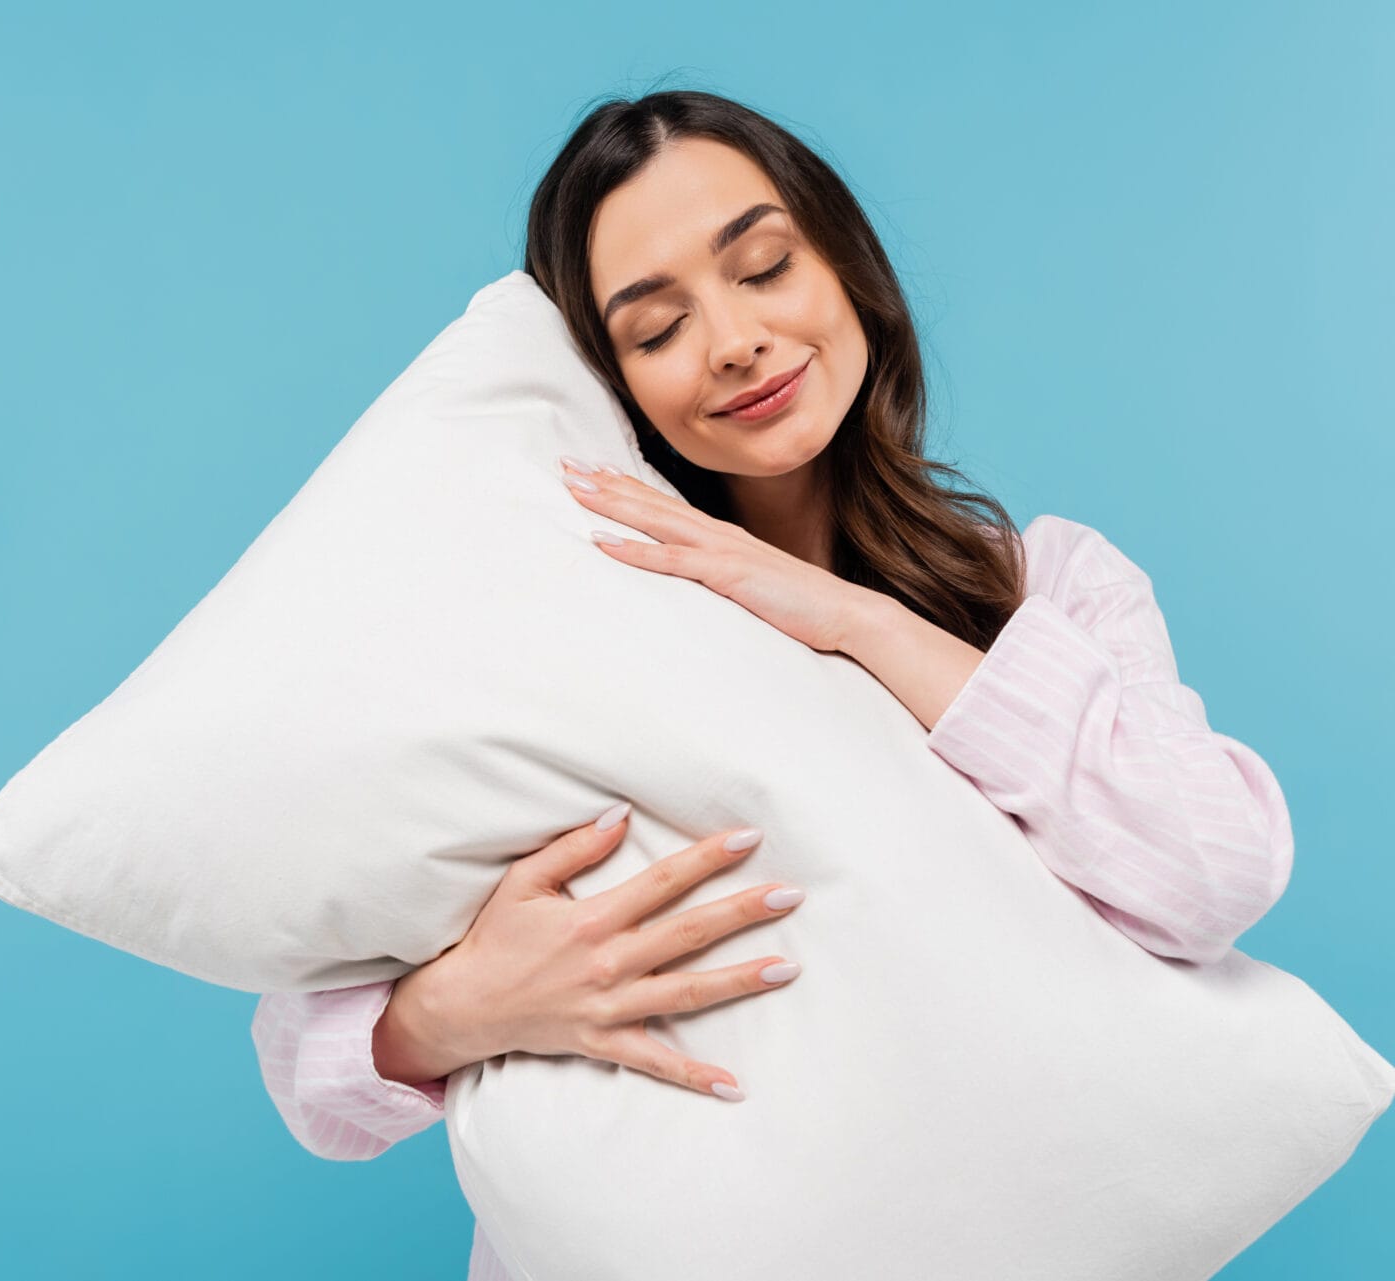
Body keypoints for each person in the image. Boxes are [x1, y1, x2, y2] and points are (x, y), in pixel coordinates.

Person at [249, 87, 1295, 1280]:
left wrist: (861, 624)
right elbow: (309, 1077)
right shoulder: (564, 629)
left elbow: (1212, 875)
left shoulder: (1045, 594)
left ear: (849, 270)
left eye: (762, 266)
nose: (734, 339)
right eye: (654, 331)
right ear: (611, 386)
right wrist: (450, 1015)